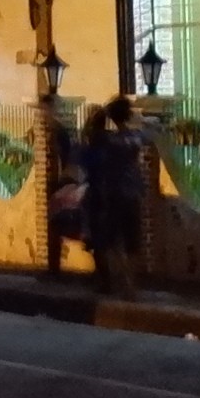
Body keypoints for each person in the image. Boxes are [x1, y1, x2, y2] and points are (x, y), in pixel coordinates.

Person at [79, 97, 145, 299]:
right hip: (133, 192)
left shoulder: (108, 140)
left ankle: (124, 281)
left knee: (111, 241)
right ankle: (132, 285)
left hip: (114, 193)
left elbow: (88, 134)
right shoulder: (136, 138)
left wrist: (101, 113)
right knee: (132, 242)